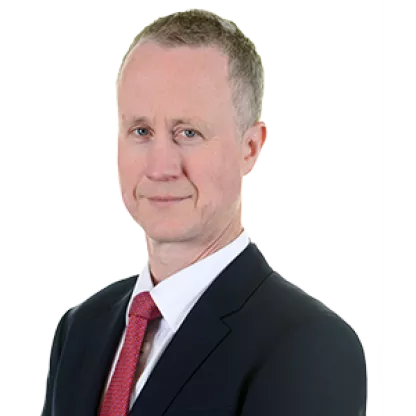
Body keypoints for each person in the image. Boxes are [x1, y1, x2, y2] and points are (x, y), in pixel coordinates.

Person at [41, 7, 367, 416]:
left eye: (188, 132)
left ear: (251, 146)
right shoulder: (79, 329)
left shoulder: (311, 346)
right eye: (141, 131)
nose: (160, 167)